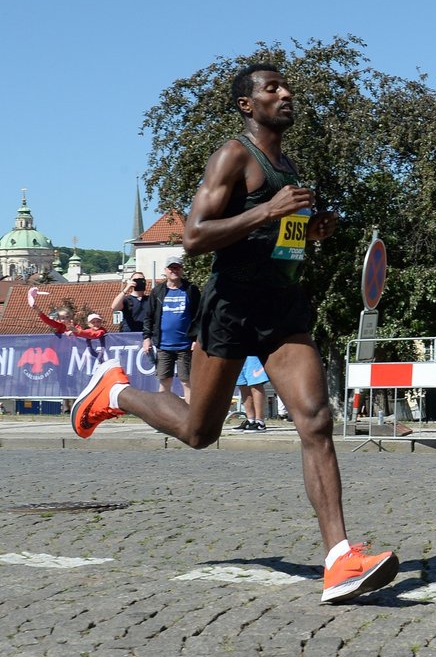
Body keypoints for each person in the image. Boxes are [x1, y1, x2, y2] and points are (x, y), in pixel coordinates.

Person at [70, 63, 398, 603]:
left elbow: (275, 237)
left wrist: (307, 231)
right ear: (248, 105)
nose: (285, 93)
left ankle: (339, 559)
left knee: (316, 419)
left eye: (286, 86)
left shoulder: (286, 164)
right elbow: (195, 236)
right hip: (232, 308)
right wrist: (269, 209)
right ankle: (117, 392)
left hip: (283, 309)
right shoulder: (234, 156)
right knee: (201, 433)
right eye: (272, 88)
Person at [142, 257, 200, 402]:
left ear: (182, 270)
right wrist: (146, 337)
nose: (174, 271)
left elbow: (199, 316)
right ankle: (165, 414)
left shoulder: (191, 290)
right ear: (166, 271)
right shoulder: (158, 291)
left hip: (185, 345)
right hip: (164, 345)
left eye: (177, 268)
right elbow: (149, 316)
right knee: (164, 381)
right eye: (171, 268)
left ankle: (190, 416)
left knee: (186, 381)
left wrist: (196, 338)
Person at [229, 355, 269, 433]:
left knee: (256, 384)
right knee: (242, 384)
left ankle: (260, 421)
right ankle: (250, 420)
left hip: (253, 352)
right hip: (238, 352)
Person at [32, 305, 107, 340]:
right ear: (59, 319)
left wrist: (75, 331)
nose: (65, 319)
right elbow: (48, 321)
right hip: (62, 351)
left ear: (71, 317)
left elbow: (85, 334)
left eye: (67, 317)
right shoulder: (60, 326)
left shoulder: (77, 327)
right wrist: (39, 311)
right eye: (63, 318)